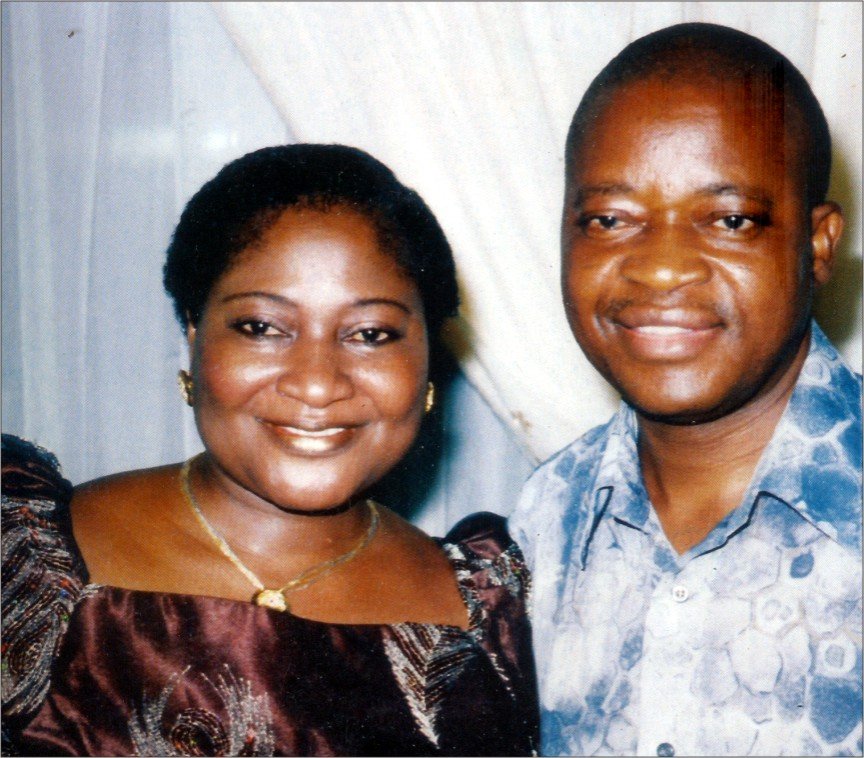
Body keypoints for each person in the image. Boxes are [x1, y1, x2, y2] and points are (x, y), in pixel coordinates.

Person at [2, 144, 539, 756]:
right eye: (261, 328)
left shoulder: (498, 620)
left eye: (370, 334)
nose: (317, 384)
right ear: (195, 336)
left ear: (427, 367)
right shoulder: (22, 554)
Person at [509, 22, 861, 757]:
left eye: (730, 220)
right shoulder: (545, 520)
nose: (662, 267)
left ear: (818, 244)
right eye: (610, 219)